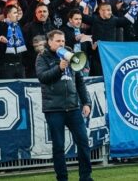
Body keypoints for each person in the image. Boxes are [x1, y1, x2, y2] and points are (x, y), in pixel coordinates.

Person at [36, 30, 93, 181]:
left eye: (63, 41)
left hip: (73, 107)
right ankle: (62, 178)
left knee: (83, 142)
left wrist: (86, 102)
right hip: (54, 109)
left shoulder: (69, 53)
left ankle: (86, 177)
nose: (61, 43)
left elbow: (79, 81)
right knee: (59, 146)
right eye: (58, 41)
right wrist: (59, 68)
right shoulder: (42, 57)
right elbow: (43, 77)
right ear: (49, 42)